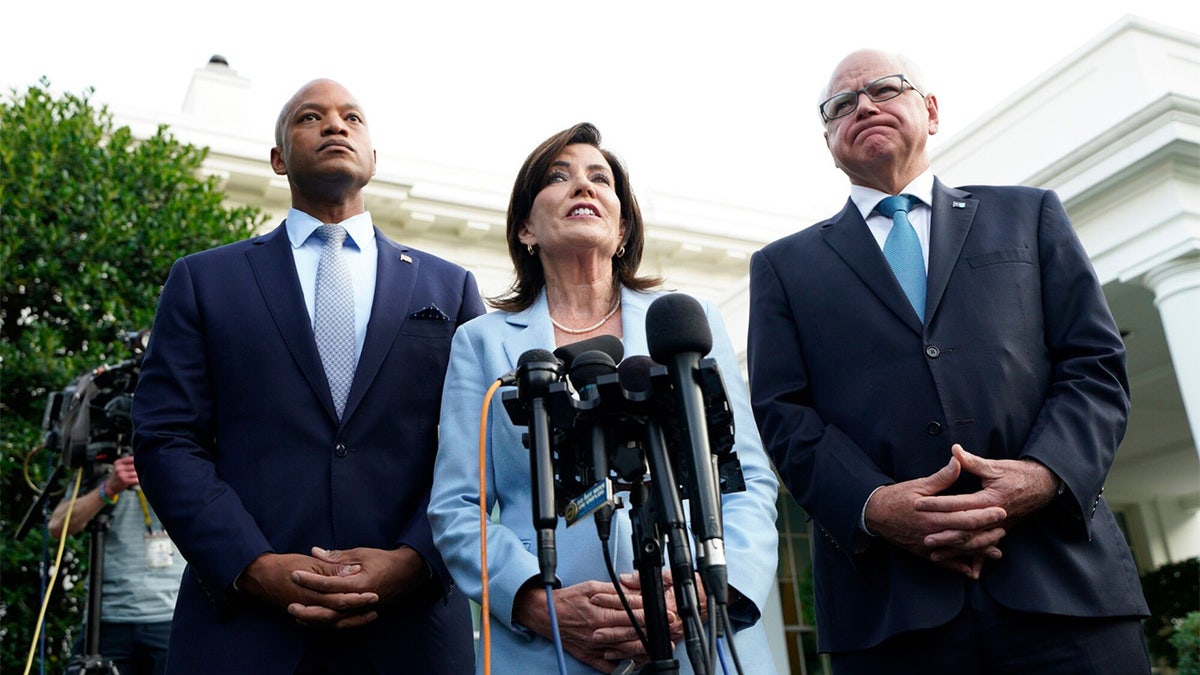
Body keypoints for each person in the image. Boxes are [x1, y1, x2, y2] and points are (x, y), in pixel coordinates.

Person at [747, 49, 1151, 674]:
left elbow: (1093, 364)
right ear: (828, 141)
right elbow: (782, 414)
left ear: (931, 111)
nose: (864, 107)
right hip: (891, 610)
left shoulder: (1029, 215)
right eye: (841, 105)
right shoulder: (782, 267)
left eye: (885, 89)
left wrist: (1042, 475)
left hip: (1062, 586)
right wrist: (873, 504)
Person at [131, 78, 483, 674]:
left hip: (410, 633)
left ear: (373, 158)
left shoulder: (448, 287)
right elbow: (166, 437)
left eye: (352, 117)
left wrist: (414, 559)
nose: (335, 125)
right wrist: (253, 565)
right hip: (245, 630)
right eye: (309, 117)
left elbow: (478, 446)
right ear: (278, 158)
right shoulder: (204, 281)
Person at [428, 122, 780, 674]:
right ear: (525, 228)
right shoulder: (482, 343)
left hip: (700, 635)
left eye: (600, 178)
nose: (583, 186)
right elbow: (457, 506)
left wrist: (711, 590)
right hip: (550, 648)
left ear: (622, 229)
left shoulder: (687, 323)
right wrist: (535, 602)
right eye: (558, 177)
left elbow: (746, 479)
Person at [49, 455, 182, 675]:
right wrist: (107, 489)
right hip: (106, 619)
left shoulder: (181, 456)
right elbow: (57, 525)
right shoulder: (100, 464)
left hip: (171, 616)